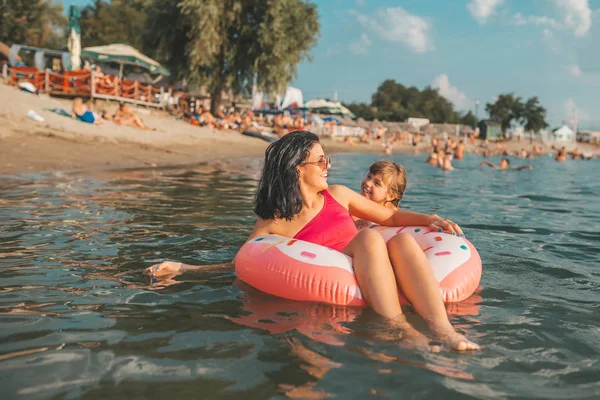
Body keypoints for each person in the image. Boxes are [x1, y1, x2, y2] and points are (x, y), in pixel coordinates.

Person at [147, 131, 479, 351]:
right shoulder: (277, 219)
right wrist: (185, 268)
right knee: (369, 241)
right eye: (321, 161)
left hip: (374, 261)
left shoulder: (338, 195)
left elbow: (390, 218)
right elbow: (243, 261)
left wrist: (430, 219)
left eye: (326, 159)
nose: (327, 166)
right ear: (297, 169)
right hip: (342, 269)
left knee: (403, 243)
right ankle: (398, 329)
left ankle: (444, 330)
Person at [355, 161, 406, 230]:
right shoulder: (353, 201)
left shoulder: (390, 213)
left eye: (376, 183)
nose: (368, 183)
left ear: (390, 196)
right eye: (369, 176)